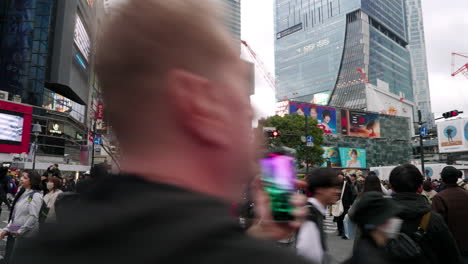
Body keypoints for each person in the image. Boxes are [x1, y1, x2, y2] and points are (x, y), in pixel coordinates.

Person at [11, 1, 311, 264]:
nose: (251, 114)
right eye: (238, 94)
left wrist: (258, 236)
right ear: (198, 102)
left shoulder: (43, 249)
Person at [389, 164, 462, 264]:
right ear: (420, 188)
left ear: (391, 187)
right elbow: (451, 256)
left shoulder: (378, 218)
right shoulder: (434, 219)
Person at [296, 168, 341, 263]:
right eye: (333, 187)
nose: (337, 191)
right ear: (320, 190)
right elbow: (307, 256)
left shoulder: (313, 211)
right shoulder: (310, 215)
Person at [347, 192, 402, 264]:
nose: (396, 219)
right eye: (391, 216)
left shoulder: (375, 245)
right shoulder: (370, 259)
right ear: (378, 222)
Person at [0, 170, 43, 263]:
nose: (21, 179)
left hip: (27, 236)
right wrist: (6, 230)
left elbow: (33, 217)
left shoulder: (36, 196)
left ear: (32, 180)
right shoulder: (23, 192)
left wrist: (20, 231)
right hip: (18, 235)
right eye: (22, 177)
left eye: (25, 178)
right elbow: (17, 217)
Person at [432, 166, 468, 263]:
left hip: (450, 247)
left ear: (442, 179)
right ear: (457, 178)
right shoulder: (466, 194)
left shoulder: (439, 198)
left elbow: (436, 225)